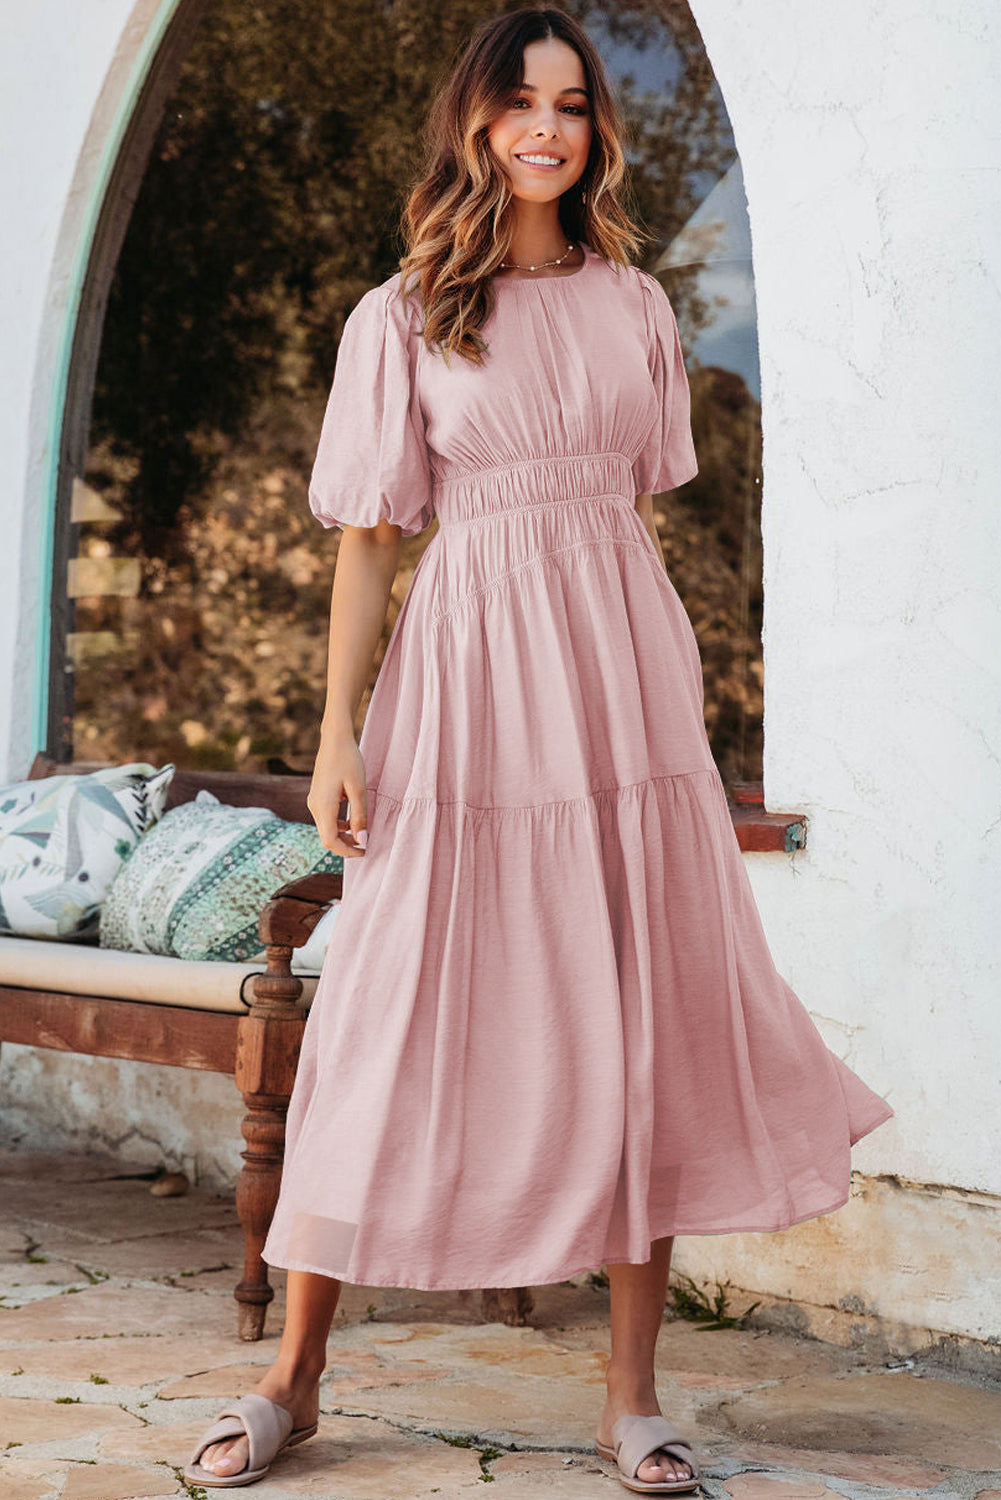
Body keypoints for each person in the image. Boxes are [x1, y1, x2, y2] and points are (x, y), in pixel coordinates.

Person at [185, 7, 893, 1493]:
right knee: (391, 1003)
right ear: (475, 119)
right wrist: (337, 734)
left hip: (622, 680)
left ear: (594, 132)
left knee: (641, 1004)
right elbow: (370, 540)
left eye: (572, 104)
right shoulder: (400, 314)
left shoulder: (635, 303)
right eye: (521, 101)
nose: (546, 128)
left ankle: (632, 1395)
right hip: (465, 678)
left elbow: (626, 508)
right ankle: (293, 1374)